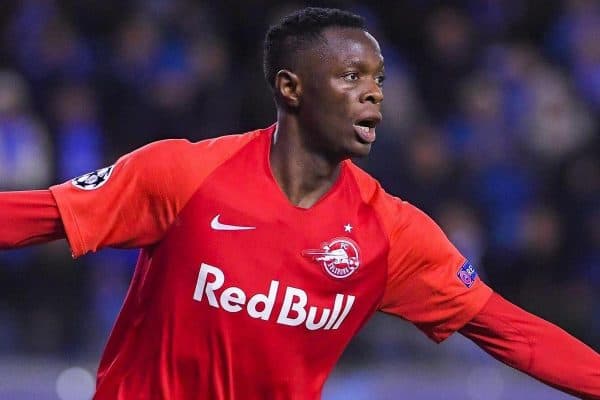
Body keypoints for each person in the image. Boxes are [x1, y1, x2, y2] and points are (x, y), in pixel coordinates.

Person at [1, 7, 599, 400]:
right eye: (350, 77)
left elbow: (512, 332)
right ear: (290, 88)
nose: (372, 94)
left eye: (379, 80)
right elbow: (40, 217)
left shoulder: (392, 233)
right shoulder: (184, 174)